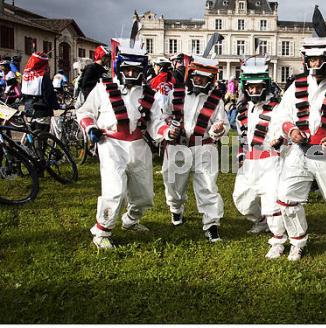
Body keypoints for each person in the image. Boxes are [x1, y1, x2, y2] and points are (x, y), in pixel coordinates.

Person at [270, 36, 326, 261]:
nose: (314, 65)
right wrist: (290, 130)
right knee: (287, 199)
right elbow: (281, 113)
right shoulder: (297, 84)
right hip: (299, 151)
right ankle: (297, 242)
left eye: (319, 60)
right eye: (310, 60)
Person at [76, 38, 167, 249]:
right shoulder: (103, 88)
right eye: (128, 69)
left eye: (136, 71)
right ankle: (102, 231)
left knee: (144, 194)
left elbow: (156, 122)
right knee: (114, 189)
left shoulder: (149, 94)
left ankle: (131, 220)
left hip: (139, 145)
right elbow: (85, 111)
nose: (132, 74)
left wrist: (166, 132)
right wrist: (90, 127)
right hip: (111, 144)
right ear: (119, 68)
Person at [160, 55, 229, 242]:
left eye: (204, 77)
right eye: (196, 76)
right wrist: (169, 128)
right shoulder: (175, 94)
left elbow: (223, 123)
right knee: (173, 185)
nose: (199, 80)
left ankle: (212, 224)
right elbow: (163, 115)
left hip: (204, 147)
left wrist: (218, 129)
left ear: (210, 79)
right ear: (191, 74)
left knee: (208, 186)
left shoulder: (217, 100)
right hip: (177, 147)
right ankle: (176, 208)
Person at [232, 57, 287, 258]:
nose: (254, 91)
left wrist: (280, 139)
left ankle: (278, 240)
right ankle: (261, 221)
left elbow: (285, 129)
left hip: (271, 160)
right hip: (249, 162)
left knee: (272, 201)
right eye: (250, 87)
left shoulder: (277, 107)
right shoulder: (244, 110)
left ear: (266, 86)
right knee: (241, 199)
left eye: (258, 87)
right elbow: (242, 137)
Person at [20, 52, 59, 133]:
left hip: (28, 108)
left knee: (31, 133)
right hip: (42, 110)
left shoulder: (25, 74)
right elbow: (48, 94)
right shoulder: (43, 76)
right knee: (42, 135)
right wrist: (56, 105)